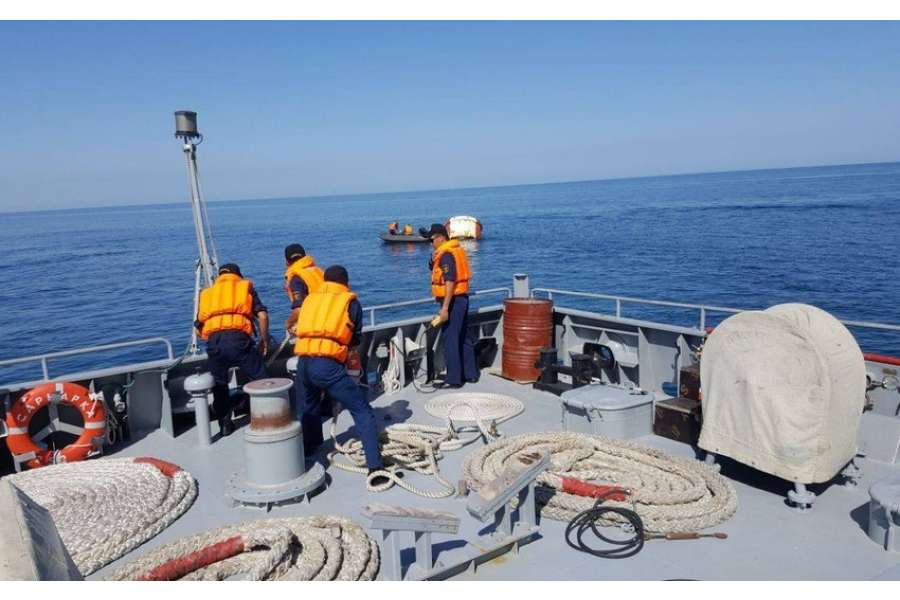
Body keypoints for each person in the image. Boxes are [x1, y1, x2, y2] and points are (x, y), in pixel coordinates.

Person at [293, 265, 389, 484]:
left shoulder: (309, 299)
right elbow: (354, 339)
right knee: (362, 410)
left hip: (303, 363)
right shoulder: (350, 302)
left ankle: (309, 448)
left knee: (308, 408)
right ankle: (375, 468)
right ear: (345, 282)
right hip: (327, 366)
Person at [195, 263, 269, 436]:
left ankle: (225, 426)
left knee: (219, 385)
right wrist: (264, 341)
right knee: (261, 379)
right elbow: (262, 316)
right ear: (238, 275)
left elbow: (198, 328)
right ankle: (266, 417)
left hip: (215, 343)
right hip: (239, 340)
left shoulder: (206, 293)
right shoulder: (245, 288)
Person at [420, 223, 478, 388]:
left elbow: (450, 281)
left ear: (440, 238)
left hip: (452, 301)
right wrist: (432, 259)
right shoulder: (454, 250)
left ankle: (453, 379)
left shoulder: (446, 255)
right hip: (462, 298)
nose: (430, 244)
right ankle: (470, 374)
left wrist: (445, 308)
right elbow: (436, 268)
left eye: (431, 240)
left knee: (450, 339)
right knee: (463, 337)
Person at [283, 243, 325, 331]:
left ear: (287, 262)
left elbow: (299, 309)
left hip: (315, 324)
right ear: (305, 257)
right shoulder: (319, 272)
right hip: (329, 318)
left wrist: (288, 324)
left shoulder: (296, 278)